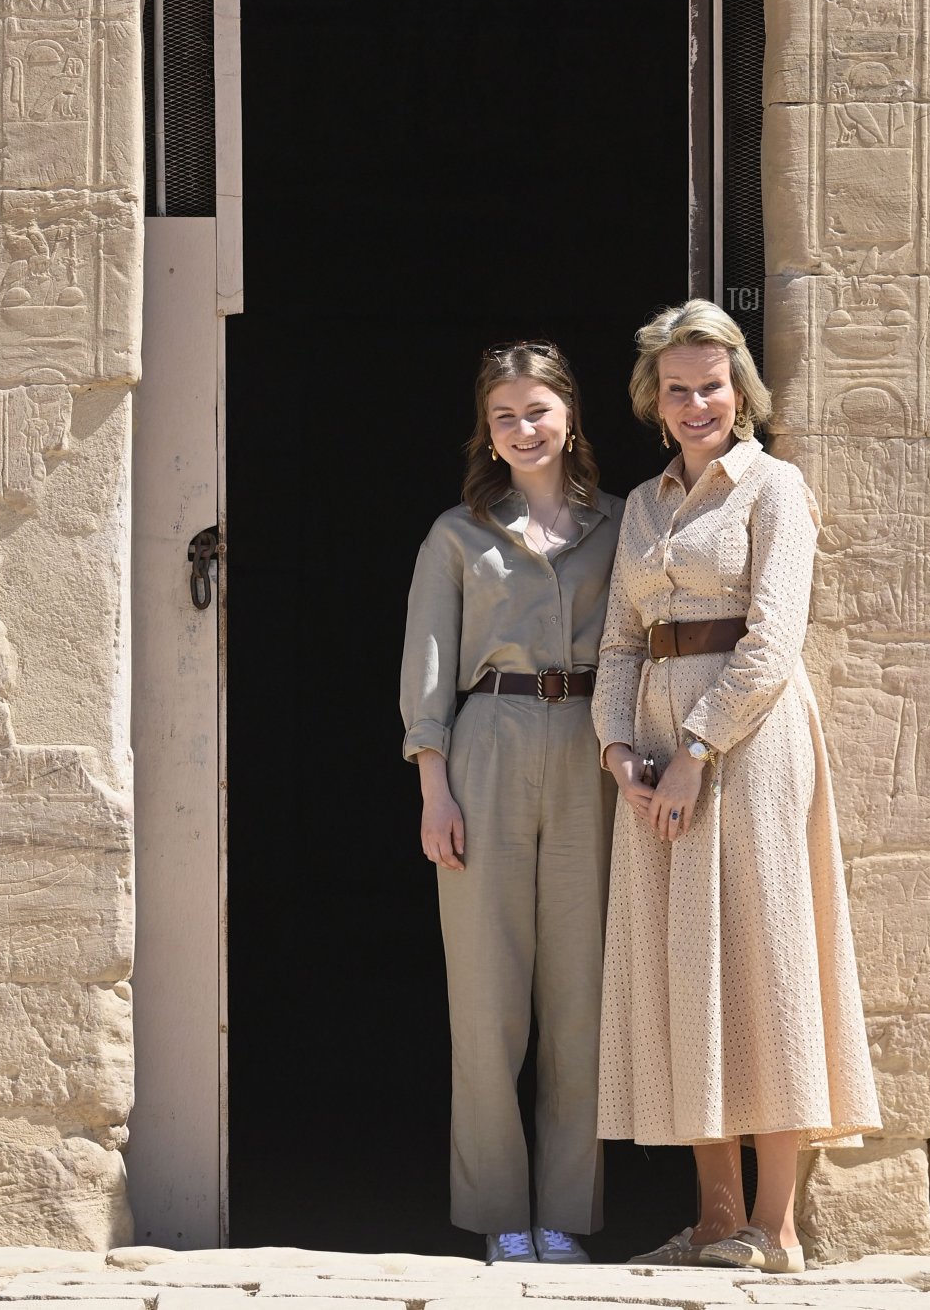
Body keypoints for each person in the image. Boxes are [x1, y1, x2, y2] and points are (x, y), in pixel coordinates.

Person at [591, 301, 880, 1276]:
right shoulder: (640, 506)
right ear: (655, 402)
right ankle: (716, 1220)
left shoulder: (774, 488)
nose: (697, 401)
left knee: (765, 957)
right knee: (684, 964)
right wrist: (619, 749)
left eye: (712, 383)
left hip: (747, 744)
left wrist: (697, 747)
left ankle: (778, 1224)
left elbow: (772, 638)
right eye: (678, 387)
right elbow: (621, 641)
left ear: (740, 390)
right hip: (657, 749)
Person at [400, 341, 623, 1267]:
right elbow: (428, 670)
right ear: (486, 434)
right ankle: (500, 1212)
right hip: (485, 748)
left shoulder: (623, 524)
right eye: (504, 416)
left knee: (580, 996)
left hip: (590, 750)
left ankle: (566, 1211)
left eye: (538, 410)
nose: (523, 429)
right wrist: (433, 788)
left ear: (569, 415)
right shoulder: (456, 535)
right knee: (486, 996)